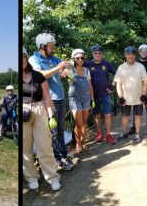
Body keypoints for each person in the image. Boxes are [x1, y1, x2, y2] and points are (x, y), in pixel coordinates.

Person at [29, 32, 77, 170]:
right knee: (53, 132)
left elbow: (63, 70)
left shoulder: (53, 58)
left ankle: (64, 154)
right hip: (48, 101)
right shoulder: (34, 59)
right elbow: (39, 75)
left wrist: (66, 71)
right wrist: (57, 68)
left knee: (60, 130)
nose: (53, 48)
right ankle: (57, 160)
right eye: (51, 46)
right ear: (42, 46)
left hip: (60, 99)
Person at [23, 47, 62, 191]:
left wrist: (51, 115)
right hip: (22, 112)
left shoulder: (38, 76)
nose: (21, 60)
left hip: (39, 110)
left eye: (23, 56)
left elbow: (47, 97)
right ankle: (31, 177)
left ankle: (52, 177)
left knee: (44, 146)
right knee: (25, 149)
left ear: (26, 58)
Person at [113, 46, 147, 143]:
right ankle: (123, 132)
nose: (130, 56)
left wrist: (144, 94)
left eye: (132, 54)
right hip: (125, 97)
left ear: (135, 55)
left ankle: (137, 134)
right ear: (125, 55)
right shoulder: (121, 67)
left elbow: (146, 81)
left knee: (138, 116)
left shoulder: (140, 67)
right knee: (124, 116)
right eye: (128, 54)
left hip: (138, 97)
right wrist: (120, 96)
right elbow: (118, 83)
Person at [86, 44, 117, 144]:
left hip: (106, 94)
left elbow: (118, 73)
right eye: (95, 53)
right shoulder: (88, 64)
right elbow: (78, 70)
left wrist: (112, 86)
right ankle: (99, 133)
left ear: (102, 54)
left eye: (99, 53)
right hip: (93, 95)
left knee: (108, 114)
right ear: (92, 54)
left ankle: (108, 135)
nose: (97, 55)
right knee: (97, 115)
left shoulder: (107, 64)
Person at [65, 48, 94, 153]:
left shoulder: (87, 71)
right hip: (74, 98)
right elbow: (63, 70)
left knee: (85, 122)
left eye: (82, 57)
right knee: (79, 123)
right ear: (74, 59)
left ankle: (83, 142)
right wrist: (68, 64)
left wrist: (92, 98)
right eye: (77, 58)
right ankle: (77, 143)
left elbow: (90, 85)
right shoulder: (70, 70)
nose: (80, 60)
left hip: (86, 98)